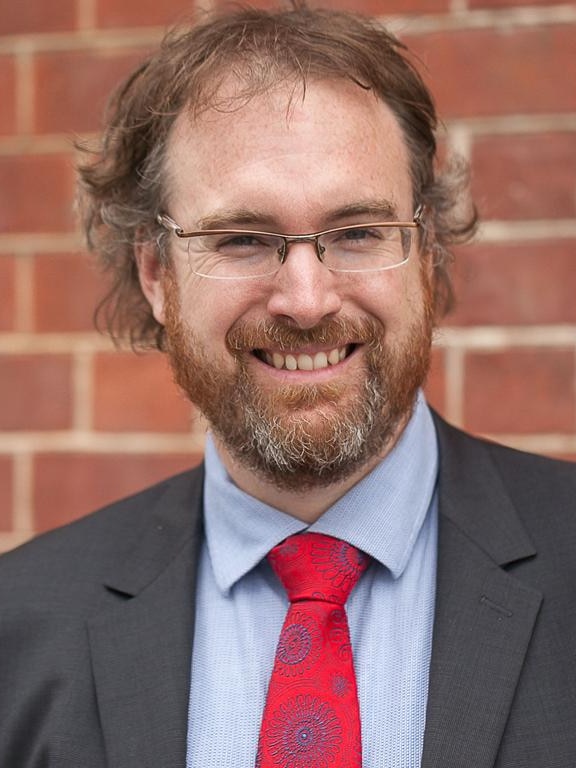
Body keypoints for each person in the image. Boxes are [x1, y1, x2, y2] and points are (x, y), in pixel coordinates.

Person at [0, 4, 574, 767]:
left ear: (426, 252)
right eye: (241, 239)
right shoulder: (21, 624)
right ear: (156, 274)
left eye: (358, 232)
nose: (306, 300)